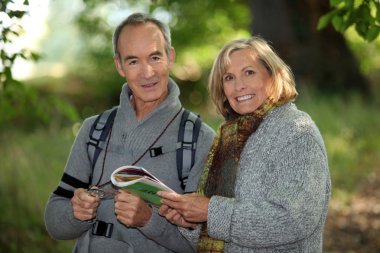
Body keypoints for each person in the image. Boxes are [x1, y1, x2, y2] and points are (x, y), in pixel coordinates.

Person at [44, 12, 215, 253]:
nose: (147, 73)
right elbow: (54, 222)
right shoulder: (94, 129)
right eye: (133, 61)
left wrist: (149, 221)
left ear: (170, 56)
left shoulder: (198, 139)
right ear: (119, 66)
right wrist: (75, 213)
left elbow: (205, 244)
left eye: (155, 57)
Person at [158, 36, 331, 252]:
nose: (239, 86)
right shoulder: (229, 138)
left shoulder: (296, 131)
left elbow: (295, 221)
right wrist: (190, 222)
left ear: (272, 75)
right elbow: (223, 234)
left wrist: (210, 211)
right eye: (229, 78)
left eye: (249, 72)